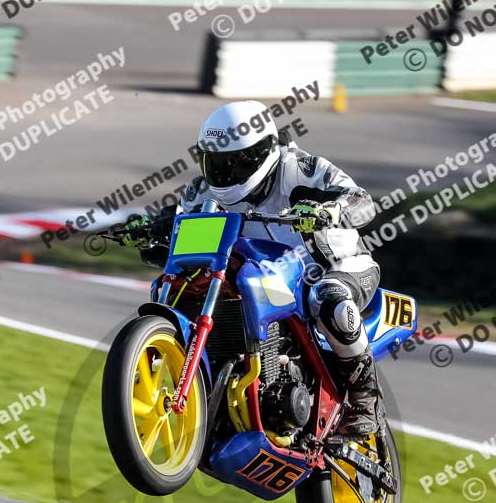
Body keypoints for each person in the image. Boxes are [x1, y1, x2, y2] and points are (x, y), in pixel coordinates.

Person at [123, 100, 380, 437]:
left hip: (336, 266)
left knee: (328, 297)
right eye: (215, 162)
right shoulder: (202, 192)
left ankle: (366, 397)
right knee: (178, 285)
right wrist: (154, 229)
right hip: (271, 277)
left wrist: (330, 210)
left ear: (262, 152)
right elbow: (186, 230)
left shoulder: (300, 168)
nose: (224, 173)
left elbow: (363, 201)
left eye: (234, 163)